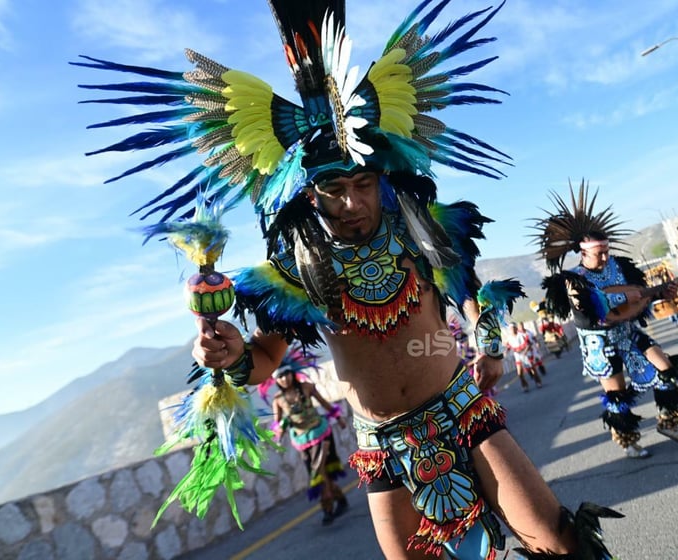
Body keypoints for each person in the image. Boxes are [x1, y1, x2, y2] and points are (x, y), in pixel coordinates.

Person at [77, 1, 621, 558]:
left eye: (362, 183)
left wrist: (488, 348)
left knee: (559, 543)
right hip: (380, 446)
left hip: (462, 410)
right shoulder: (298, 267)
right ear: (309, 193)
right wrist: (233, 356)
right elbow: (265, 359)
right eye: (333, 190)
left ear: (380, 176)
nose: (352, 202)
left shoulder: (424, 229)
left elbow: (472, 300)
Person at [535, 182, 678, 459]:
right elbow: (588, 319)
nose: (605, 257)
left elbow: (638, 301)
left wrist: (661, 294)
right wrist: (612, 312)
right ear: (583, 253)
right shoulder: (575, 280)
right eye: (600, 253)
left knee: (666, 369)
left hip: (629, 332)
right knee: (617, 395)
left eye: (607, 251)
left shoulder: (620, 267)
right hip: (601, 342)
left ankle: (668, 423)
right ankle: (627, 440)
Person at [265, 347, 348, 525]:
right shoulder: (278, 400)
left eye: (286, 374)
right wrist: (279, 432)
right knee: (318, 472)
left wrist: (338, 418)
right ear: (275, 380)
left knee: (319, 471)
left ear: (292, 373)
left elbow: (325, 403)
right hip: (302, 441)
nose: (284, 379)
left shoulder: (306, 387)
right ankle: (340, 499)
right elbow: (277, 423)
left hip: (320, 432)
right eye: (280, 376)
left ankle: (327, 509)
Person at [506, 323, 544, 392]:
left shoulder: (522, 335)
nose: (512, 330)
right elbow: (508, 347)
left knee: (533, 370)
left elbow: (529, 344)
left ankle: (538, 382)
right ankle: (525, 386)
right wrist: (505, 352)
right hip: (518, 356)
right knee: (520, 373)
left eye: (514, 328)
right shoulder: (509, 338)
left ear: (516, 328)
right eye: (511, 329)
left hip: (526, 354)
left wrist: (525, 352)